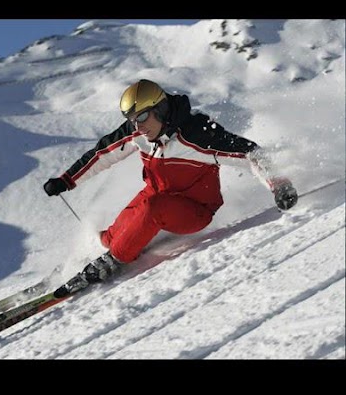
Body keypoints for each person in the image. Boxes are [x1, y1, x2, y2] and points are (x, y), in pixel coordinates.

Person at [44, 79, 298, 286]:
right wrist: (66, 180)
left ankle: (113, 261)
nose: (138, 126)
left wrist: (279, 184)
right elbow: (102, 154)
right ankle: (90, 258)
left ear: (161, 109)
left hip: (195, 210)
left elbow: (250, 153)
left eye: (142, 117)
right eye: (132, 120)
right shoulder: (139, 133)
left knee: (149, 215)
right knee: (113, 236)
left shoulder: (197, 134)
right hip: (155, 197)